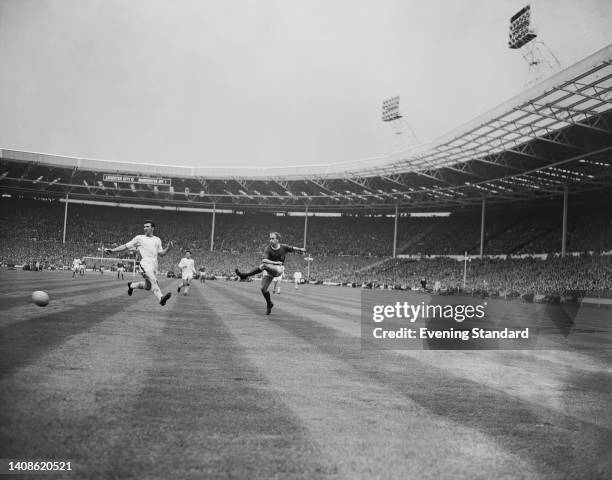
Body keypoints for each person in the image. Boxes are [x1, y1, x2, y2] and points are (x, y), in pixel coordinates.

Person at [105, 220, 173, 306]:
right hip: (145, 264)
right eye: (144, 227)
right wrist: (113, 250)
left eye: (147, 226)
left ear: (153, 228)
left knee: (147, 287)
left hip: (154, 265)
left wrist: (168, 248)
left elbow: (161, 254)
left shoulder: (157, 240)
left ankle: (132, 285)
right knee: (154, 281)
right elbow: (125, 246)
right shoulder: (139, 238)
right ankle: (161, 298)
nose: (145, 228)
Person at [235, 232, 306, 314]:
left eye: (272, 238)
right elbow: (264, 260)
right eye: (270, 238)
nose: (270, 240)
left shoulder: (284, 247)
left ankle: (244, 275)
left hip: (278, 270)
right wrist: (275, 263)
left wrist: (300, 249)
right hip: (269, 269)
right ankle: (269, 303)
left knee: (264, 266)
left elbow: (293, 248)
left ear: (277, 240)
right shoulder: (268, 248)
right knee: (263, 289)